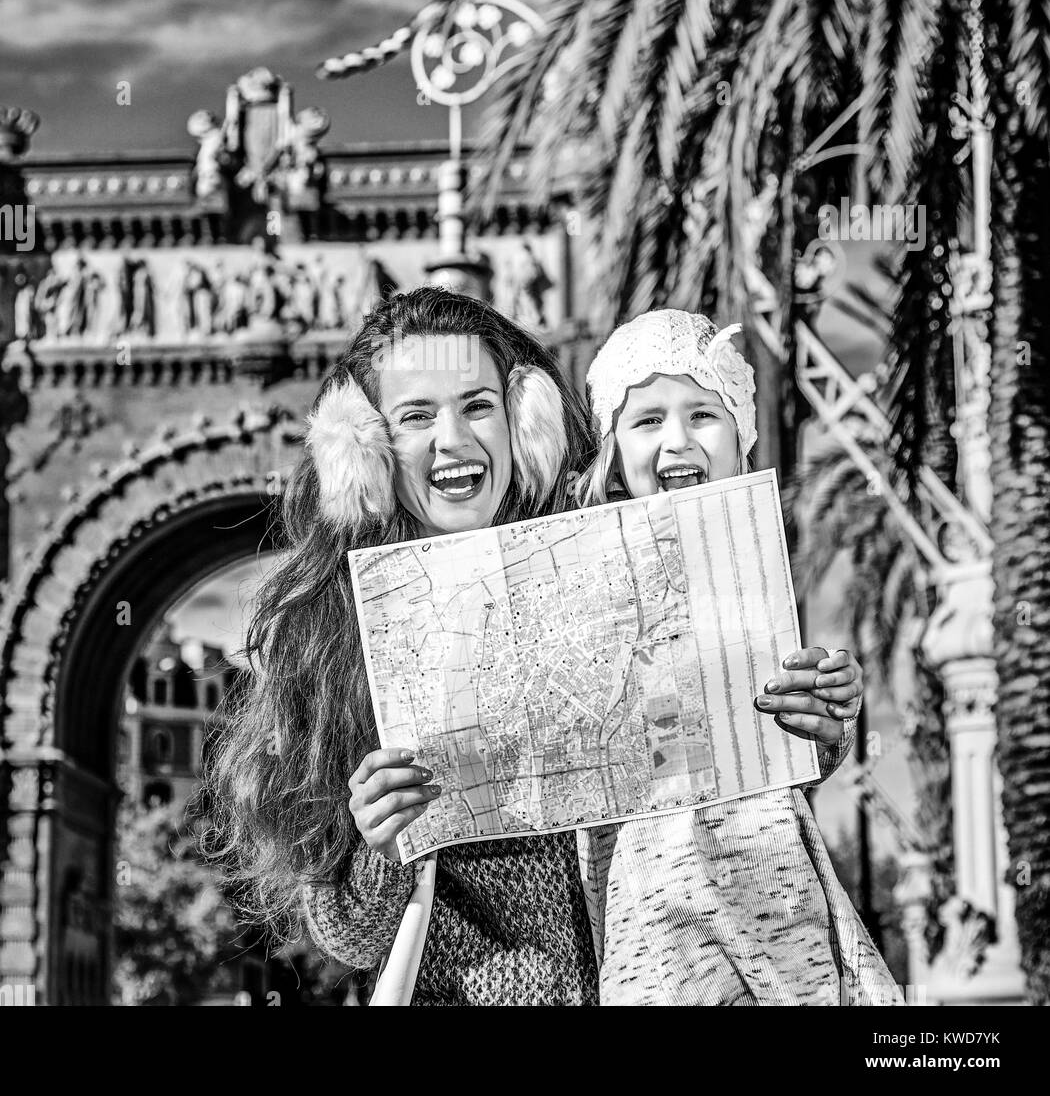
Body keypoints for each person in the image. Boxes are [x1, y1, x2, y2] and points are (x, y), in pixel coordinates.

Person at [202, 287, 603, 1005]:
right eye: (416, 416)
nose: (452, 439)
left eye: (478, 405)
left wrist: (801, 732)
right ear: (367, 448)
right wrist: (382, 848)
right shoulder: (329, 637)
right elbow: (347, 935)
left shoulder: (606, 562)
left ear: (523, 421)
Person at [574, 308, 904, 1004]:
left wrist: (826, 722)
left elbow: (783, 744)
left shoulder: (756, 573)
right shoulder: (585, 585)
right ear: (612, 452)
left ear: (740, 441)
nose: (677, 440)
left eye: (702, 414)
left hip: (775, 915)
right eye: (646, 420)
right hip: (654, 929)